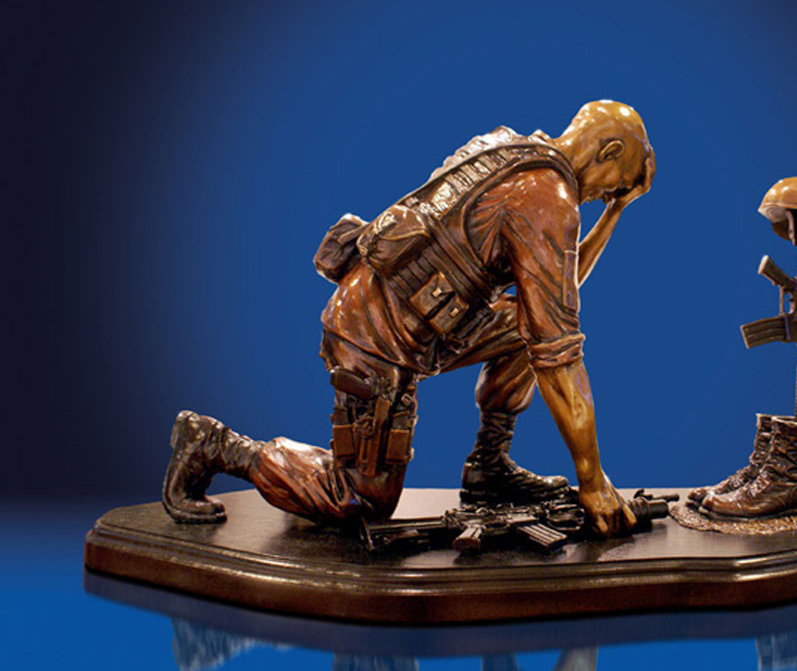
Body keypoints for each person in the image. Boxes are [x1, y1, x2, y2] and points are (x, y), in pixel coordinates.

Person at [162, 100, 655, 536]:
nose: (603, 195)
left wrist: (616, 211)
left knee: (526, 322)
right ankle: (218, 445)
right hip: (374, 335)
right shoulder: (547, 198)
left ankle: (489, 465)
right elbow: (558, 353)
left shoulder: (510, 147)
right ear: (608, 151)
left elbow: (554, 294)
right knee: (359, 499)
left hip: (417, 318)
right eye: (613, 185)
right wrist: (592, 480)